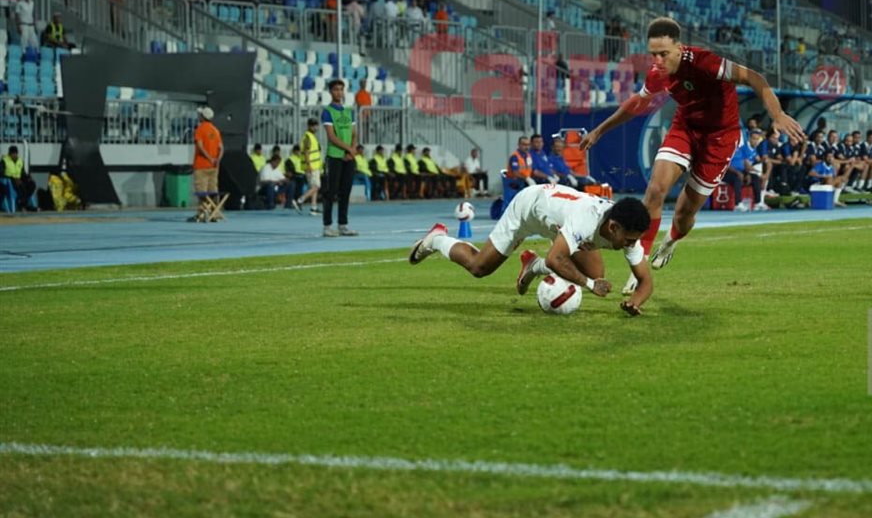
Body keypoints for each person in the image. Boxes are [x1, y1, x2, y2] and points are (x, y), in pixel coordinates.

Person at [581, 17, 804, 314]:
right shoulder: (657, 74)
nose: (658, 61)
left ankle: (671, 241)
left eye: (664, 54)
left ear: (679, 47)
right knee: (656, 190)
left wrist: (776, 114)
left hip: (720, 139)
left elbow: (755, 79)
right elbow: (636, 103)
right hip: (685, 128)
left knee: (686, 213)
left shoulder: (705, 63)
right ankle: (641, 262)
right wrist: (600, 130)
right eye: (653, 54)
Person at [409, 185, 653, 309]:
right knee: (479, 267)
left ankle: (532, 265)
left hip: (559, 223)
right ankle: (437, 239)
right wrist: (590, 286)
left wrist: (634, 303)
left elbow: (645, 281)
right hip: (527, 209)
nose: (632, 245)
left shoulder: (626, 228)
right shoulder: (585, 221)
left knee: (596, 274)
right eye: (629, 240)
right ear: (612, 228)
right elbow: (555, 259)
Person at [321, 79, 358, 236]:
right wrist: (348, 149)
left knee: (346, 191)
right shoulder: (328, 111)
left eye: (341, 89)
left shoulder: (350, 111)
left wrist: (352, 151)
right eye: (336, 89)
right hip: (335, 156)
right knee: (331, 192)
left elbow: (354, 133)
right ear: (330, 92)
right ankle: (327, 226)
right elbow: (331, 136)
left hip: (348, 157)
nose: (339, 92)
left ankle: (343, 224)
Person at [193, 106, 223, 216]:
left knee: (202, 191)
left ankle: (201, 213)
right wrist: (217, 160)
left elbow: (200, 146)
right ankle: (215, 213)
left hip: (201, 165)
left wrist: (209, 158)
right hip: (214, 166)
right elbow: (221, 148)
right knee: (213, 190)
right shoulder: (215, 130)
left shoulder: (200, 129)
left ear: (202, 116)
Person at [296, 118, 323, 215]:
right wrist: (308, 165)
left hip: (315, 166)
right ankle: (300, 200)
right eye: (313, 125)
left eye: (316, 125)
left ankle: (313, 207)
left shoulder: (311, 136)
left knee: (313, 187)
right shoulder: (308, 137)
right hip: (311, 166)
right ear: (309, 126)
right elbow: (306, 152)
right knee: (316, 186)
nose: (315, 127)